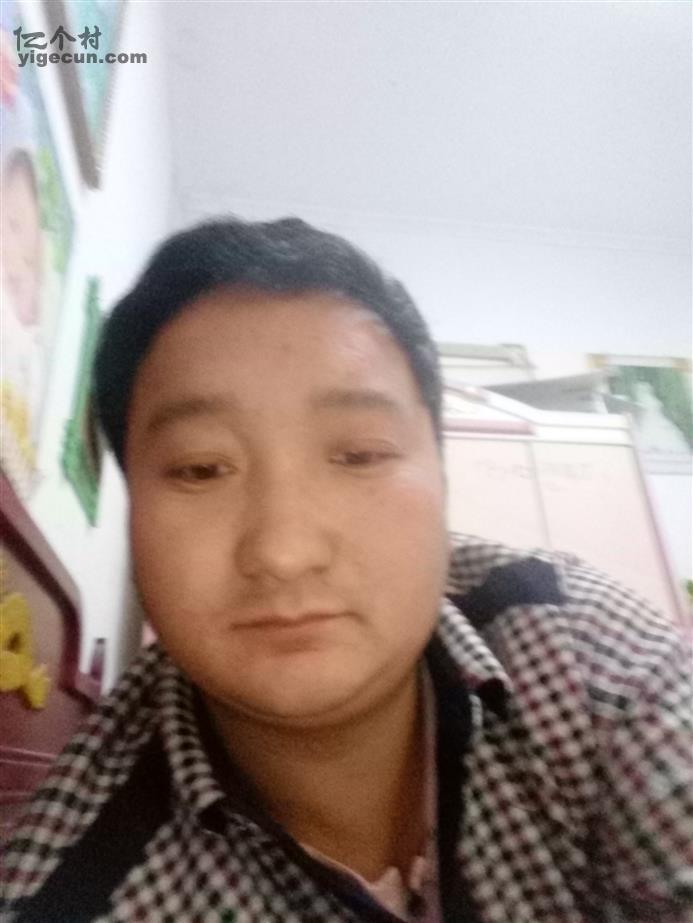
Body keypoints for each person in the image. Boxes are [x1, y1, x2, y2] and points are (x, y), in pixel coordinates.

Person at [1, 217, 691, 923]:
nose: (283, 551)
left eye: (359, 455)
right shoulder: (69, 891)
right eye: (202, 468)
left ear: (441, 477)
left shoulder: (592, 661)